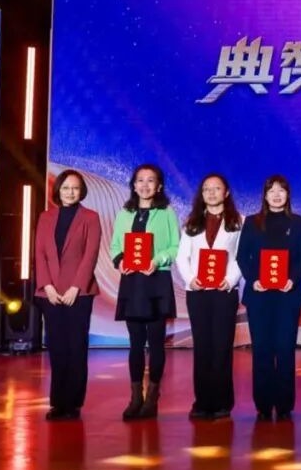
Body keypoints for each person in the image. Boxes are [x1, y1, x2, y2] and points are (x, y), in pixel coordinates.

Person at [237, 175, 301, 421]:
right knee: (262, 350)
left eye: (281, 190)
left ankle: (284, 405)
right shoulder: (252, 222)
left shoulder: (298, 223)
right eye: (272, 190)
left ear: (288, 194)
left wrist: (293, 279)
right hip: (259, 296)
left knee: (285, 349)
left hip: (287, 296)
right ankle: (263, 403)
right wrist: (253, 280)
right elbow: (242, 256)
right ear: (265, 195)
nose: (277, 195)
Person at [110, 163, 180, 421]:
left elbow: (175, 246)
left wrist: (158, 260)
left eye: (151, 180)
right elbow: (115, 246)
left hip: (157, 280)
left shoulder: (166, 212)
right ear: (134, 184)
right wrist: (120, 261)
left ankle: (152, 397)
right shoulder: (125, 213)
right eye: (140, 180)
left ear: (159, 186)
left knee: (157, 343)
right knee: (136, 344)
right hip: (132, 282)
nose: (145, 185)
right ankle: (135, 397)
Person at [33, 169, 102, 421]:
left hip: (79, 294)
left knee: (76, 347)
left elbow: (90, 255)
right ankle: (58, 403)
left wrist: (76, 287)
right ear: (58, 190)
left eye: (75, 188)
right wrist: (47, 286)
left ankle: (73, 403)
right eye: (65, 188)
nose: (70, 192)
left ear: (81, 191)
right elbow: (39, 254)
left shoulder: (90, 217)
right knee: (57, 348)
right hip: (50, 293)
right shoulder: (45, 217)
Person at [176, 173, 244, 420]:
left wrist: (231, 279)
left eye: (216, 188)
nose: (211, 193)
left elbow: (241, 255)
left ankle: (223, 402)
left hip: (225, 291)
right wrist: (190, 278)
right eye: (206, 189)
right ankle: (202, 402)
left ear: (226, 193)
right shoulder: (192, 222)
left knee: (222, 346)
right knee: (203, 346)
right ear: (201, 194)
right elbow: (182, 256)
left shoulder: (239, 221)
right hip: (198, 292)